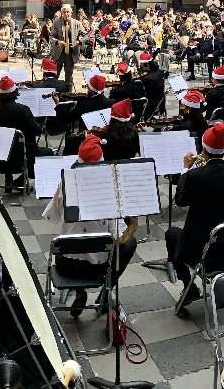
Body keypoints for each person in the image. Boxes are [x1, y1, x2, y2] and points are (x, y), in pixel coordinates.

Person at [42, 134, 137, 318]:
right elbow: (117, 237)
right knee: (129, 244)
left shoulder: (64, 185)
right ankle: (106, 293)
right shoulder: (111, 191)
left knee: (70, 241)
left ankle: (80, 292)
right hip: (98, 266)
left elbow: (53, 216)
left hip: (66, 263)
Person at [166, 123, 224, 316]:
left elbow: (180, 200)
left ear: (203, 150)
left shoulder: (195, 176)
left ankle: (189, 286)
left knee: (171, 234)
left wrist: (185, 170)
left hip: (204, 254)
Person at [0, 75, 44, 190]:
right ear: (15, 93)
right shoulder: (22, 109)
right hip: (19, 158)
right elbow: (37, 130)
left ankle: (8, 180)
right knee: (47, 153)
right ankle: (18, 183)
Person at [50, 5, 85, 87]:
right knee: (54, 75)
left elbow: (87, 35)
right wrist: (58, 42)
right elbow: (51, 37)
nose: (66, 14)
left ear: (71, 13)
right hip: (58, 53)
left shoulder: (77, 23)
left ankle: (69, 92)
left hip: (71, 53)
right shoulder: (56, 23)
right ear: (61, 13)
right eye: (64, 12)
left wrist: (79, 41)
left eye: (68, 12)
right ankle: (53, 91)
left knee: (69, 78)